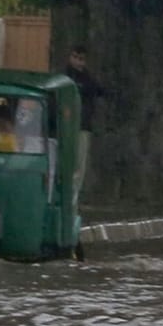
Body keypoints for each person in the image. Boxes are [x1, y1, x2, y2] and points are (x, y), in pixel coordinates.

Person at [63, 45, 106, 208]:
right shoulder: (65, 77)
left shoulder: (87, 79)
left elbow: (99, 90)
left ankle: (74, 198)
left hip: (82, 126)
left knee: (79, 164)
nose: (77, 61)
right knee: (68, 162)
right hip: (66, 127)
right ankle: (67, 197)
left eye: (81, 58)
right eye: (75, 57)